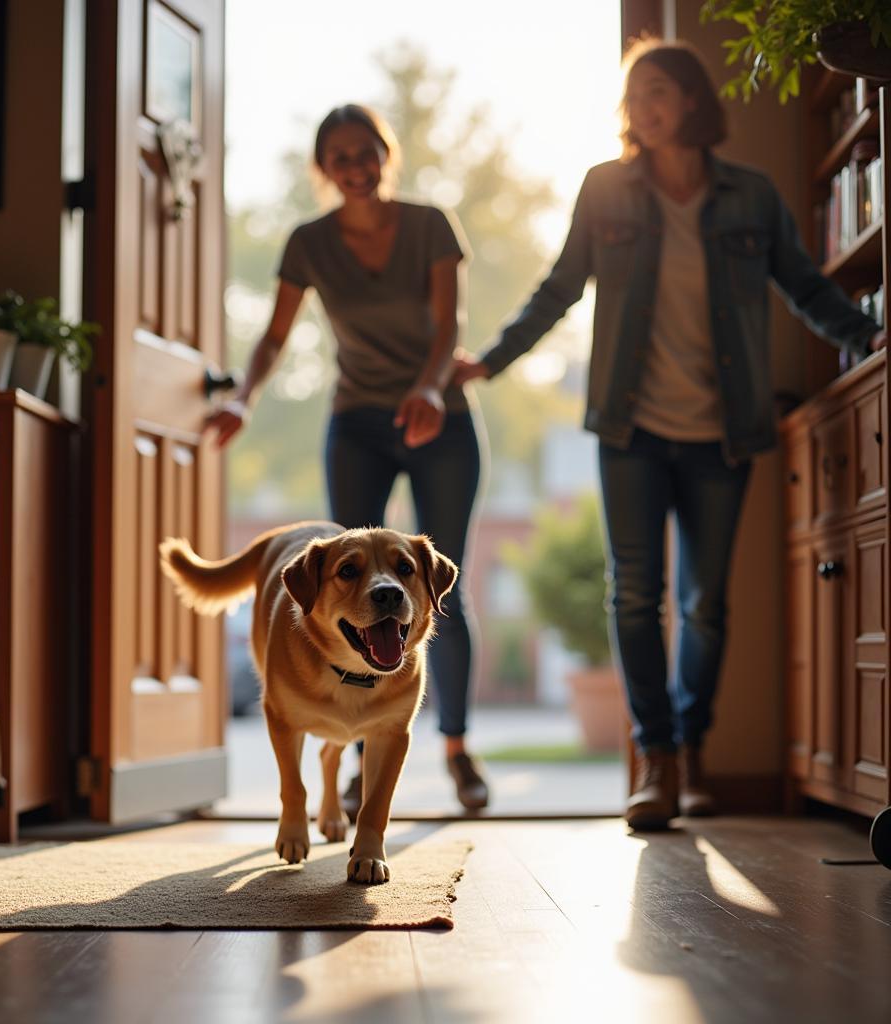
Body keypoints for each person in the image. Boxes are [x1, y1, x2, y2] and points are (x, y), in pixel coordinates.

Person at [454, 39, 885, 830]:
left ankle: (691, 749)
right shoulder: (605, 190)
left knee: (707, 604)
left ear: (690, 100)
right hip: (631, 427)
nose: (644, 106)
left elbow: (804, 284)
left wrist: (868, 333)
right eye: (635, 94)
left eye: (659, 91)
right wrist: (490, 360)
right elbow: (558, 288)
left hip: (723, 431)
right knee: (635, 595)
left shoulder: (749, 196)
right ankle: (654, 757)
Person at [206, 104, 490, 813]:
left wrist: (429, 387)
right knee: (358, 592)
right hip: (358, 419)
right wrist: (243, 395)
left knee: (432, 583)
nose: (356, 167)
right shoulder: (309, 242)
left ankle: (455, 747)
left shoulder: (429, 224)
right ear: (324, 170)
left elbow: (449, 320)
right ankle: (364, 760)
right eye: (340, 158)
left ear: (385, 155)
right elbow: (273, 336)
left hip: (440, 418)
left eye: (366, 152)